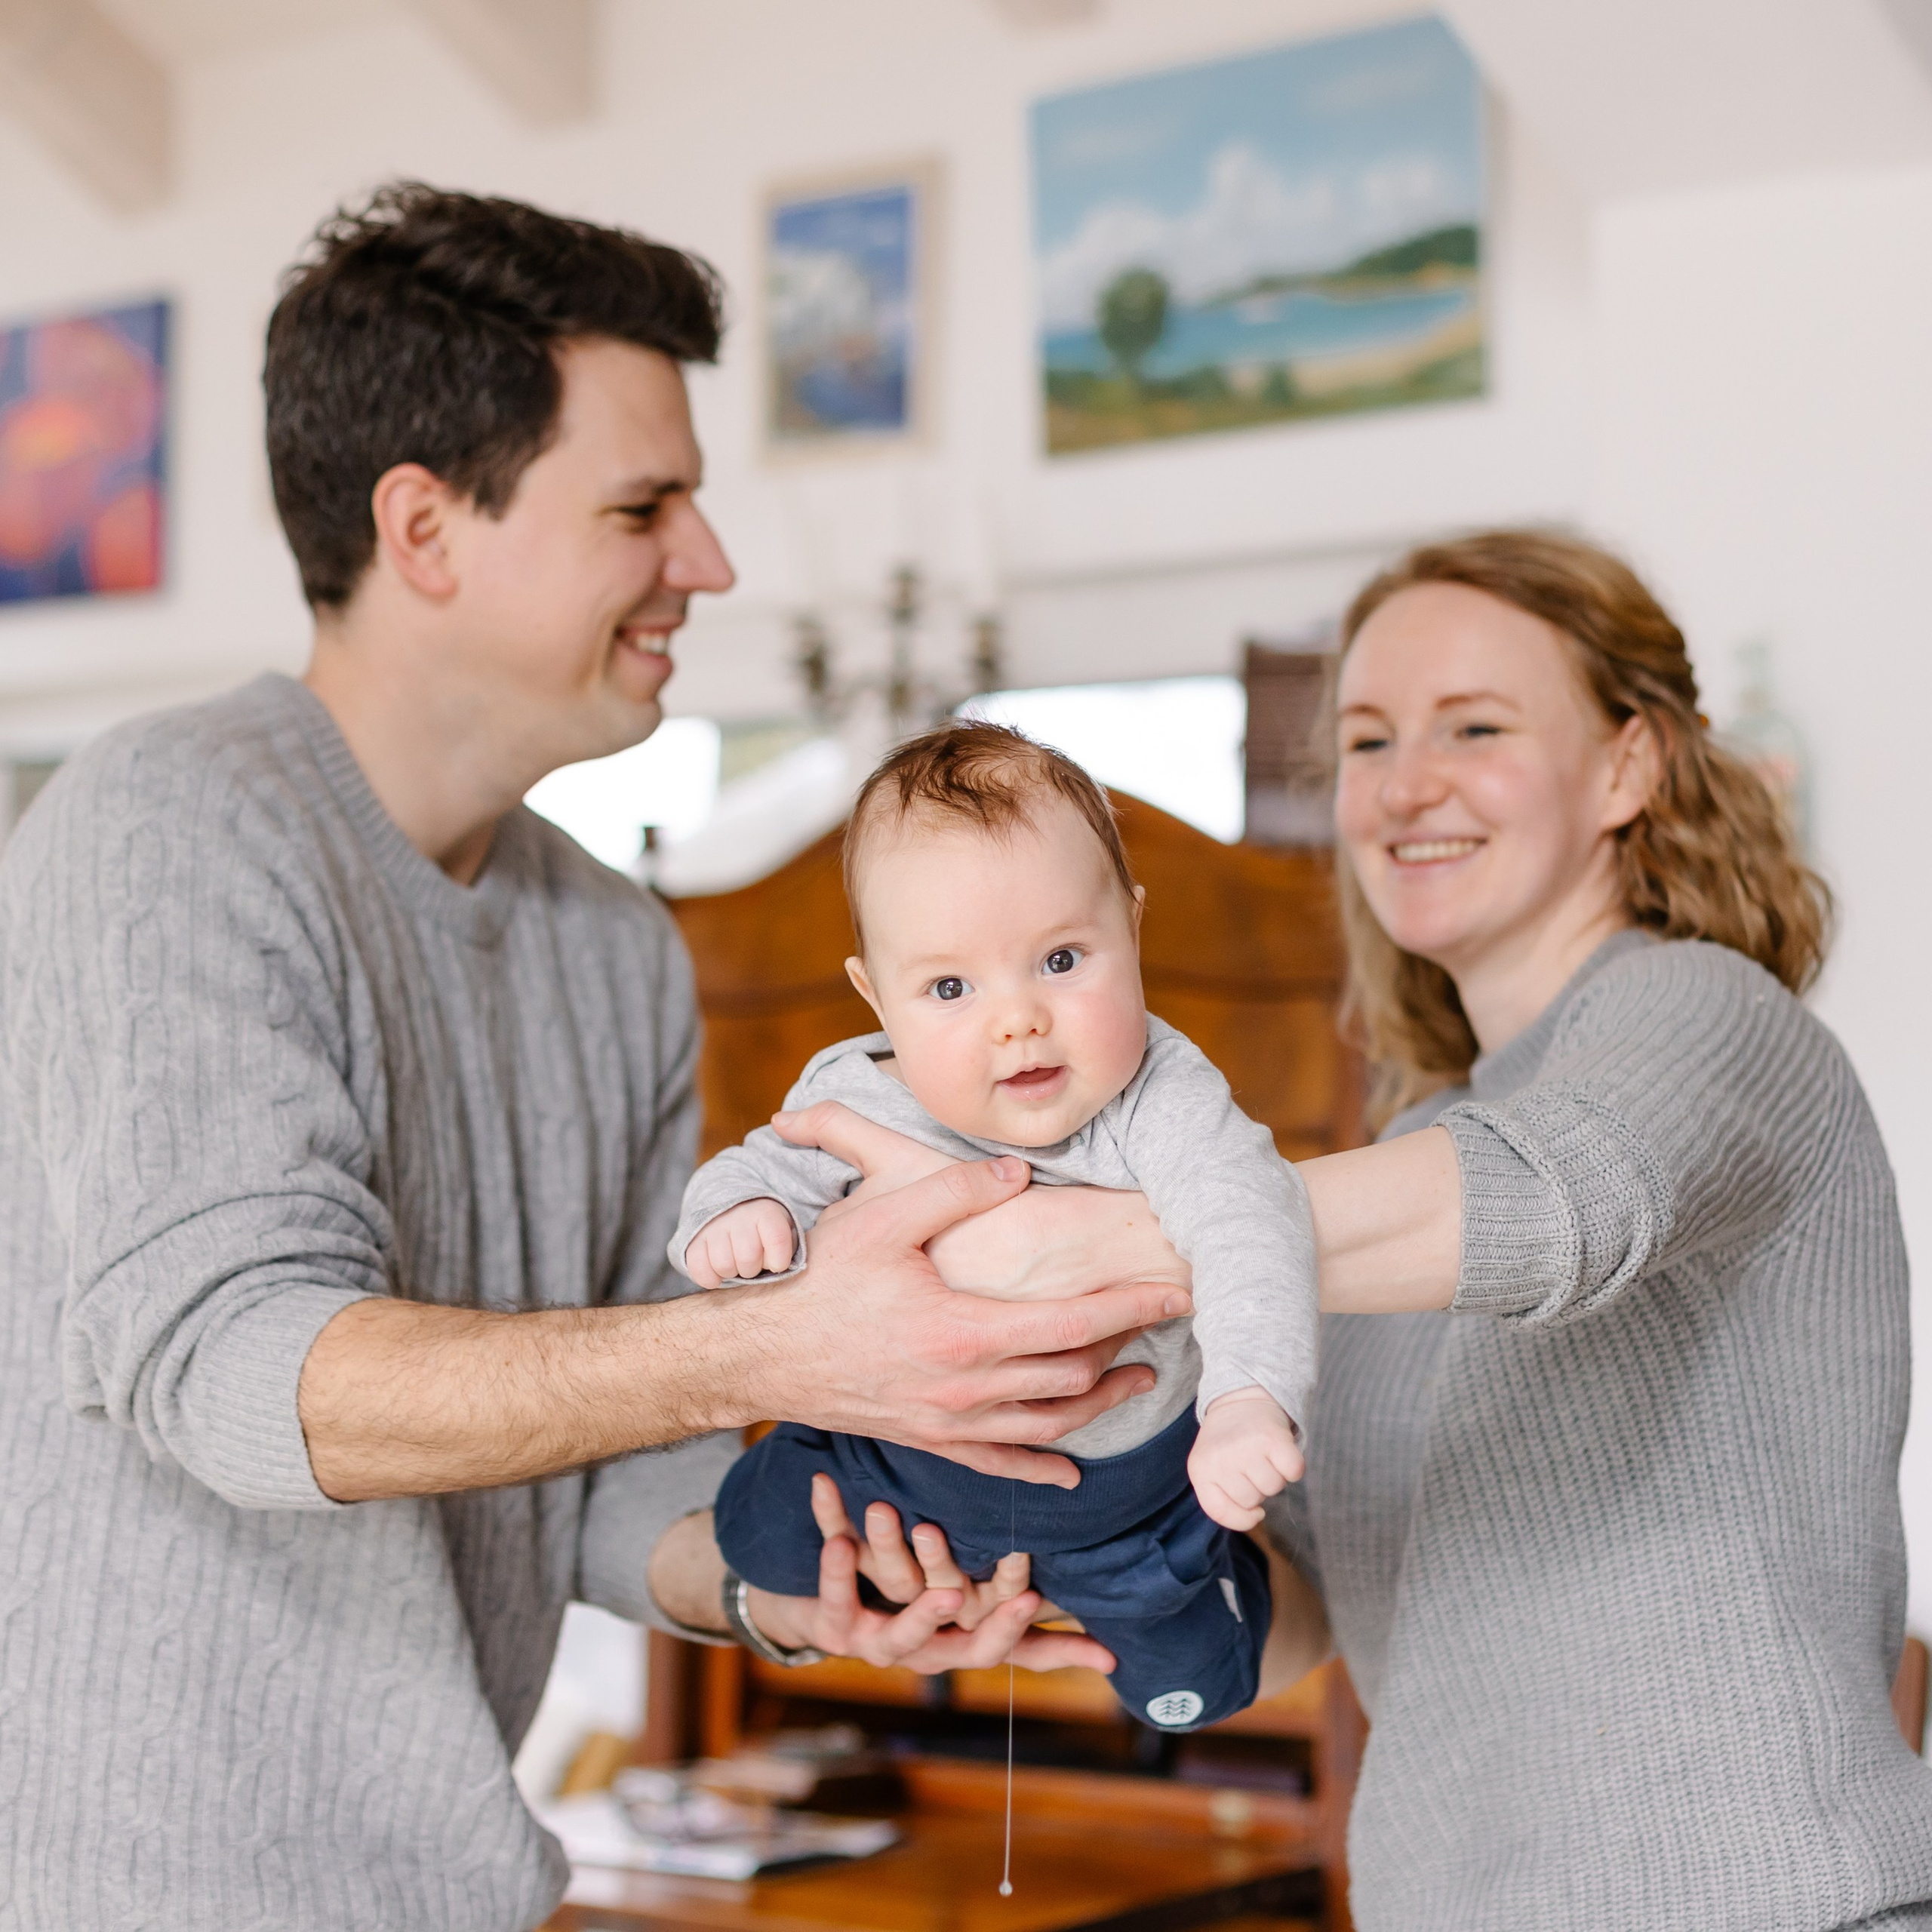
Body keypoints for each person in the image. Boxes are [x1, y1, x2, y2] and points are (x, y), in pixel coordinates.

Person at [0, 185, 1188, 1932]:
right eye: (644, 505)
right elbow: (237, 1362)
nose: (704, 562)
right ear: (424, 529)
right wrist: (783, 1341)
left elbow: (597, 1459)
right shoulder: (172, 820)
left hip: (459, 1886)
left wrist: (799, 1590)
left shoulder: (614, 940)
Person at [777, 530, 1932, 1931]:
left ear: (1628, 766)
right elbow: (1316, 1601)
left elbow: (1561, 1200)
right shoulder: (1408, 1143)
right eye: (1371, 740)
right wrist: (1054, 1571)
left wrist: (1103, 1242)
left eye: (1476, 727)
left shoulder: (1710, 1017)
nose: (1405, 785)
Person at [678, 721, 1317, 1730]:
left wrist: (1249, 1398)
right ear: (875, 997)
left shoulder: (1164, 1094)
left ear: (1133, 930)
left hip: (1126, 1498)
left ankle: (1204, 1587)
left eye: (1061, 959)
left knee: (1191, 1686)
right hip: (896, 1465)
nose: (1016, 1018)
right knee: (754, 1534)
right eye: (948, 987)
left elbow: (1252, 1229)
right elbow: (759, 1166)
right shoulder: (857, 1094)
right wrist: (739, 1215)